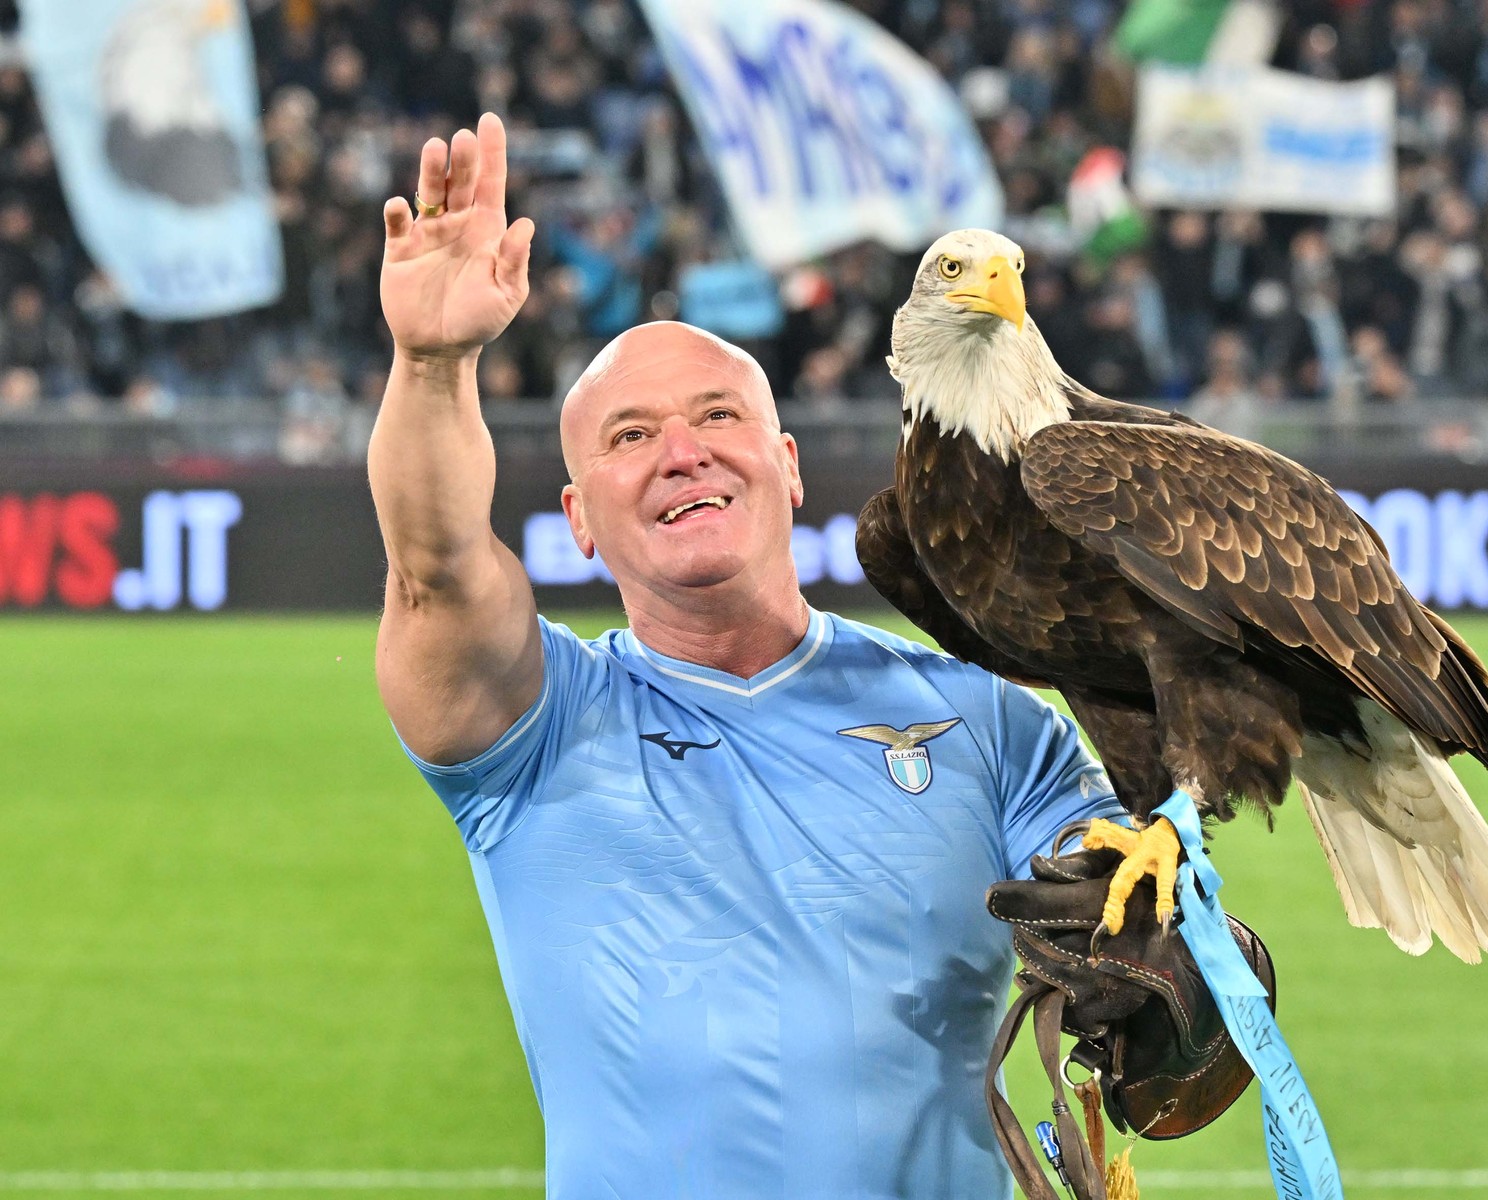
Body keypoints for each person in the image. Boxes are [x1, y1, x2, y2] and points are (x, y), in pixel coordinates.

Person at [368, 113, 1128, 1198]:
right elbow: (434, 568)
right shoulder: (530, 726)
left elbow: (1129, 916)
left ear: (786, 464)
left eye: (716, 415)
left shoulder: (995, 724)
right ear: (580, 519)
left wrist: (1161, 949)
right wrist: (433, 364)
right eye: (630, 436)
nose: (683, 453)